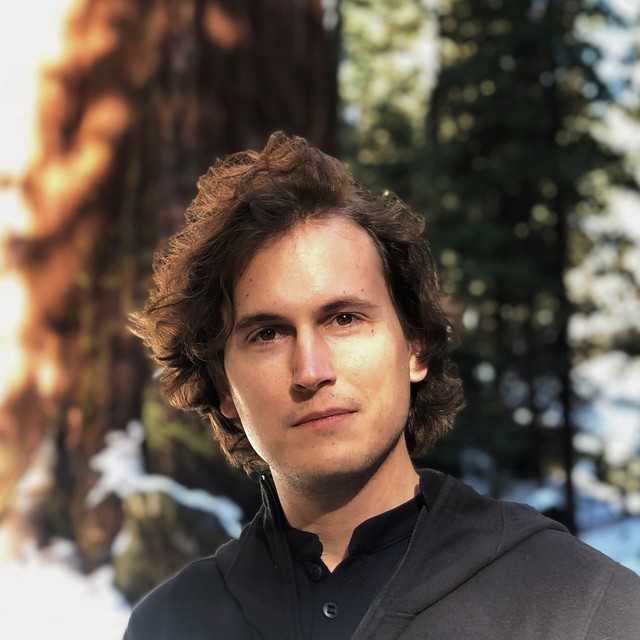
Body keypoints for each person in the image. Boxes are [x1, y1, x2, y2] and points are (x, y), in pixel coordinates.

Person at [124, 132, 640, 640]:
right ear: (223, 387)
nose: (311, 370)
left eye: (344, 319)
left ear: (414, 346)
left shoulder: (582, 606)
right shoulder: (169, 625)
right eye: (268, 334)